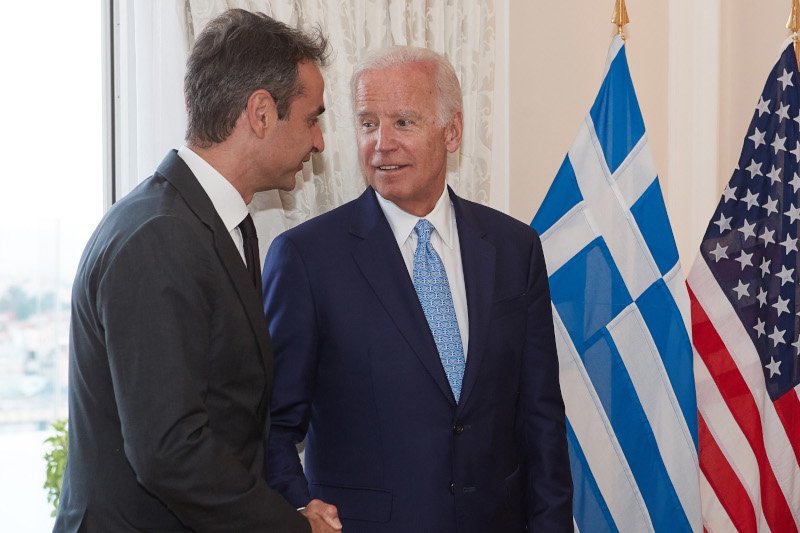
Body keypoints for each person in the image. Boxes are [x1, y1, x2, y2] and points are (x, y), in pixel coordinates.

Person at [263, 46, 573, 532]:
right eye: (368, 123)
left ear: (452, 132)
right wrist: (301, 513)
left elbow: (541, 420)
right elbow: (271, 426)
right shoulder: (306, 258)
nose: (381, 144)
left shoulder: (515, 249)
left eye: (403, 122)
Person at [54, 9, 341, 533]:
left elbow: (229, 419)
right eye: (311, 118)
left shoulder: (219, 224)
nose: (318, 141)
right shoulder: (158, 236)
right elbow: (170, 451)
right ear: (261, 113)